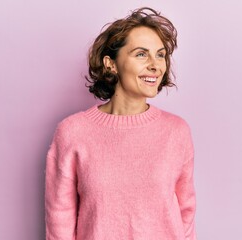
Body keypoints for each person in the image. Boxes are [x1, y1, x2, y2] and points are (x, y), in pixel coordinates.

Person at [45, 7, 197, 240]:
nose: (155, 65)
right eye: (141, 54)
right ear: (111, 64)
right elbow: (60, 220)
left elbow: (186, 215)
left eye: (160, 54)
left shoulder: (176, 131)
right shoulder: (72, 132)